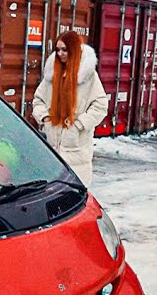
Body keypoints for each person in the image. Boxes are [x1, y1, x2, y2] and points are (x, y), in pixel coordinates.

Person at [31, 30, 109, 186]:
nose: (60, 53)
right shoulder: (52, 75)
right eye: (58, 49)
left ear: (73, 50)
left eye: (64, 50)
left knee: (75, 193)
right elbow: (38, 100)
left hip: (77, 149)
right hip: (53, 147)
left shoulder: (89, 76)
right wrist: (45, 118)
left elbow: (100, 105)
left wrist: (79, 125)